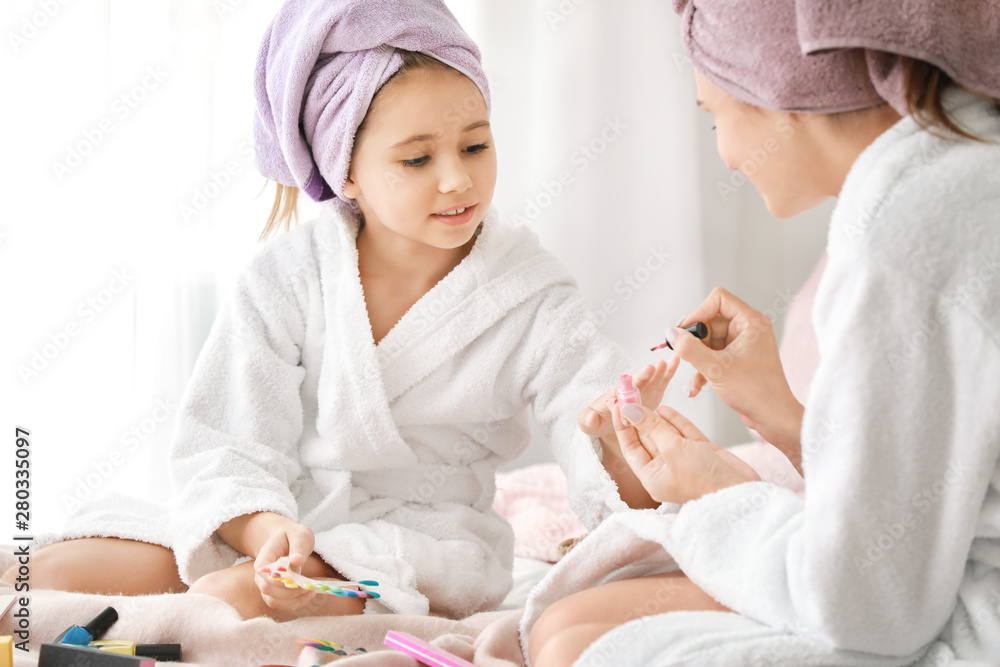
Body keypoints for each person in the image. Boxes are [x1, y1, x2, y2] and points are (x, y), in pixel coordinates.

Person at [2, 0, 675, 621]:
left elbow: (596, 442)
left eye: (475, 145)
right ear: (345, 172)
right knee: (46, 572)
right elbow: (228, 442)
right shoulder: (286, 277)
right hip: (278, 515)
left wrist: (621, 438)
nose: (457, 179)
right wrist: (267, 530)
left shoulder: (529, 294)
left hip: (423, 542)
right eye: (417, 158)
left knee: (225, 601)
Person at [527, 0, 1000, 665]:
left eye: (714, 116)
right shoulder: (961, 165)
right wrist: (775, 412)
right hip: (942, 593)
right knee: (565, 623)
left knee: (579, 643)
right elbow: (927, 489)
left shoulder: (902, 229)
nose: (723, 156)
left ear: (781, 94)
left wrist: (713, 491)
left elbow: (868, 601)